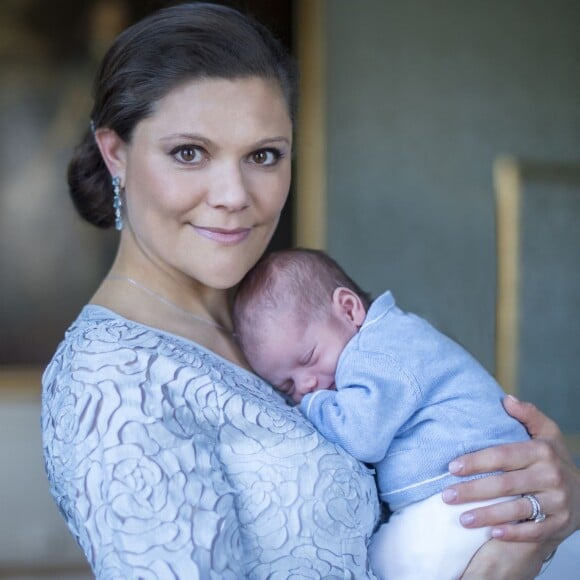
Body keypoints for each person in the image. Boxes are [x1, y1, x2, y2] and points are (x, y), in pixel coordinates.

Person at [40, 2, 580, 578]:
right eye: (189, 153)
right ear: (115, 152)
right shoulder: (111, 385)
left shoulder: (288, 317)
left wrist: (545, 499)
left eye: (263, 155)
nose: (233, 194)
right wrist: (504, 560)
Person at [232, 247, 537, 579]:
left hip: (476, 494)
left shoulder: (377, 353)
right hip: (480, 493)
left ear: (349, 310)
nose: (306, 385)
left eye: (309, 358)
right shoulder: (388, 339)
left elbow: (362, 438)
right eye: (287, 386)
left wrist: (310, 406)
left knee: (385, 561)